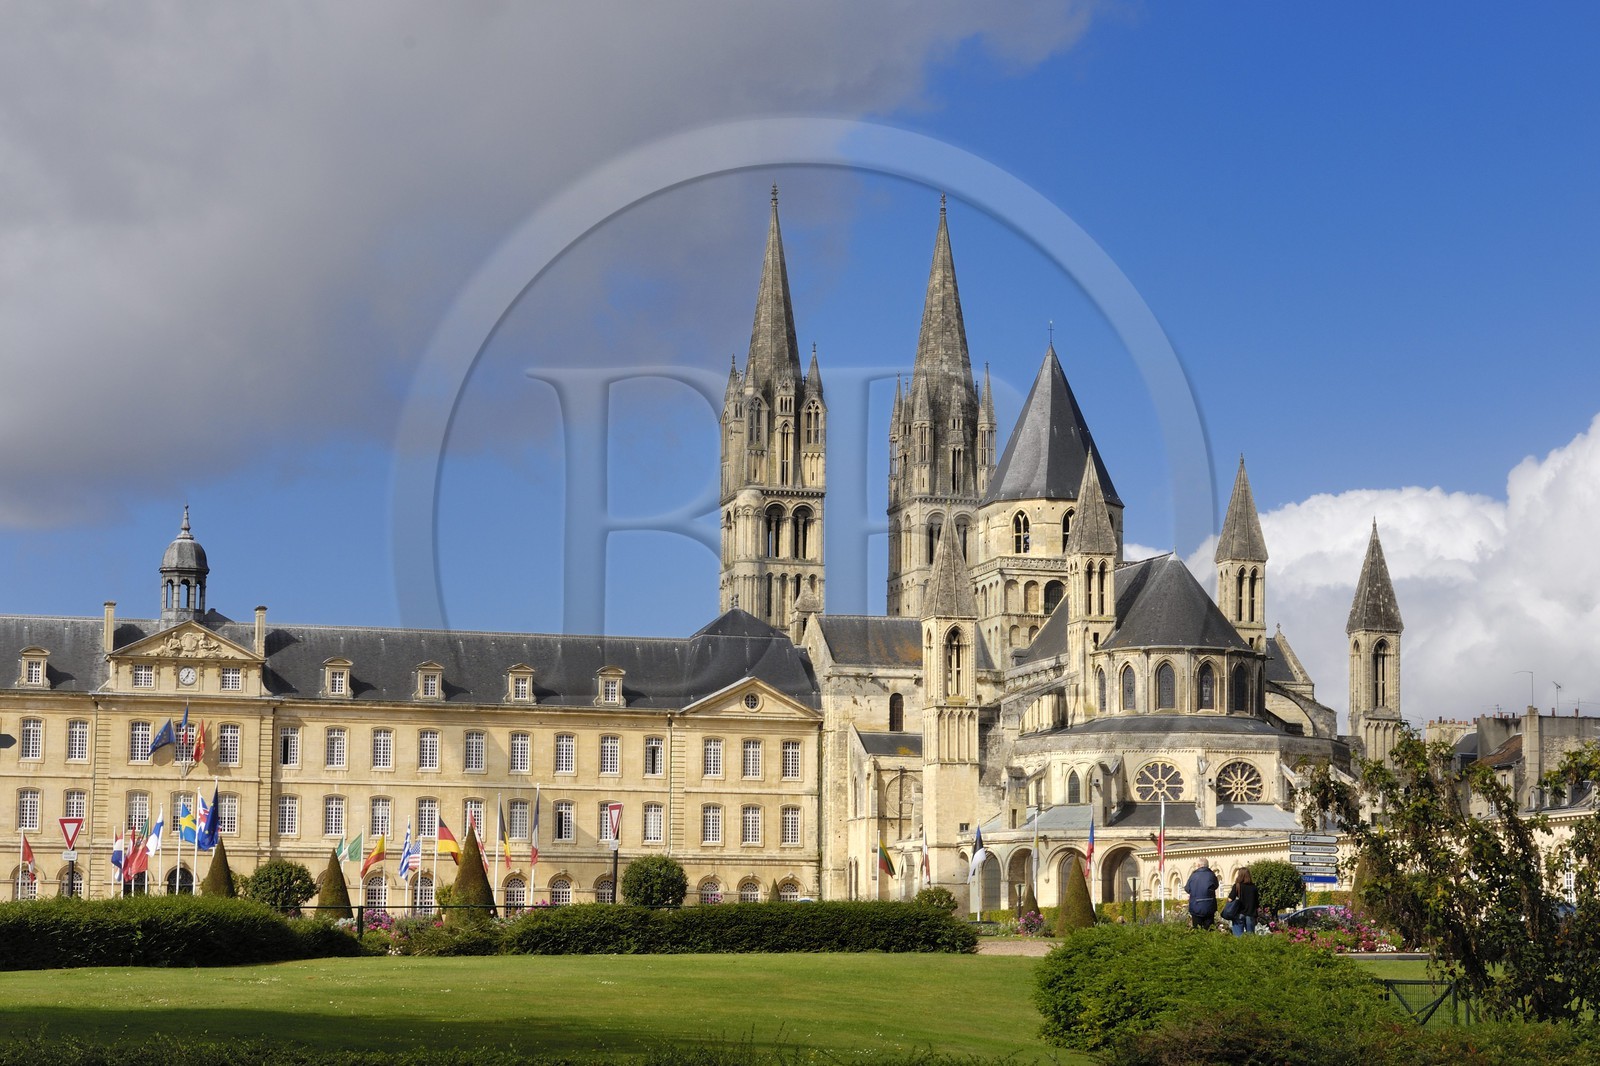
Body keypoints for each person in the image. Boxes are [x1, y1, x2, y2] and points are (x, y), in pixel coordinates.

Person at [1184, 858, 1220, 930]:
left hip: (1196, 905)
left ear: (1198, 865)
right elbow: (1216, 886)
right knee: (1209, 929)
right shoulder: (1211, 875)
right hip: (1209, 905)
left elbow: (1187, 889)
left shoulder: (1193, 876)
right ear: (1207, 865)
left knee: (1197, 930)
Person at [1227, 867, 1260, 936]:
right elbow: (1257, 903)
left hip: (1239, 914)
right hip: (1250, 914)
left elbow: (1230, 899)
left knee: (1238, 937)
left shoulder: (1237, 886)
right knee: (1251, 937)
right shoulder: (1254, 887)